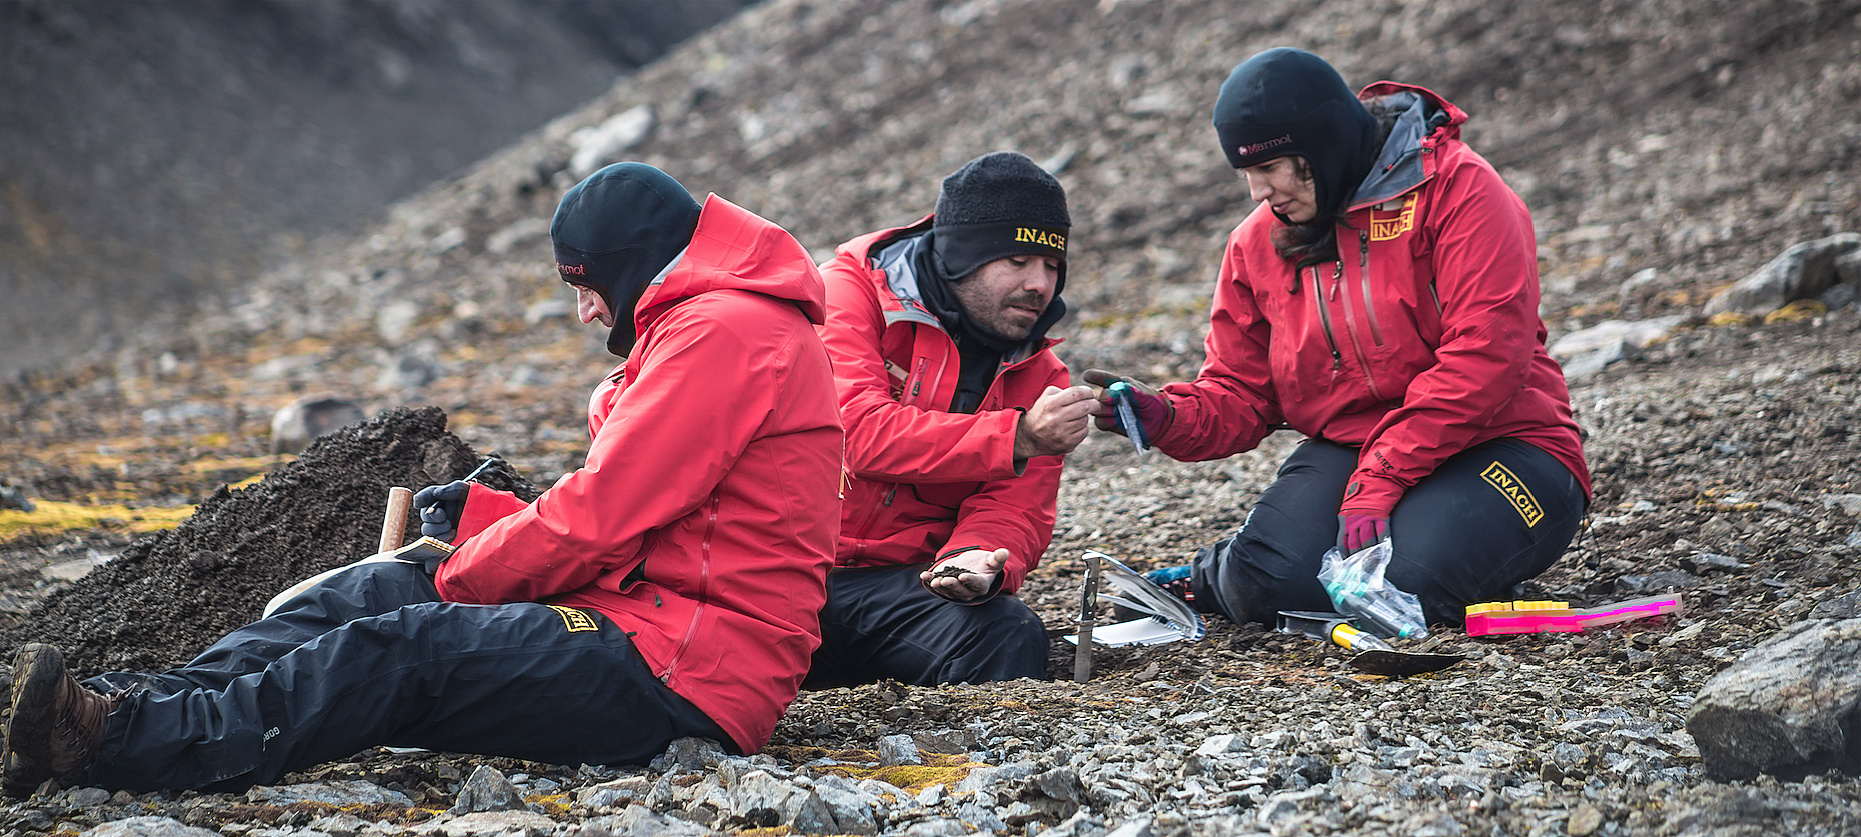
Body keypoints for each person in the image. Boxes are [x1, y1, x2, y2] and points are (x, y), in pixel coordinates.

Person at [2, 162, 843, 794]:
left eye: (586, 286)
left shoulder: (725, 333)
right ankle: (114, 709)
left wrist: (455, 573)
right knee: (365, 592)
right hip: (642, 617)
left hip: (691, 670)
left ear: (631, 266)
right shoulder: (703, 323)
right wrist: (483, 522)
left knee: (407, 648)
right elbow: (655, 515)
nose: (586, 310)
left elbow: (602, 517)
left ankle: (124, 746)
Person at [1087, 48, 1591, 629]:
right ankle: (1211, 580)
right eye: (1246, 173)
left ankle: (1462, 556)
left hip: (1507, 441)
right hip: (1354, 446)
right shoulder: (1256, 245)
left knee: (1402, 588)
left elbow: (1487, 356)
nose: (1257, 191)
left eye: (1270, 167)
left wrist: (1384, 475)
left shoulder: (1459, 191)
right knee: (1266, 581)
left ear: (1322, 146)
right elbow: (1242, 391)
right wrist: (1166, 416)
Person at [806, 151, 1097, 688]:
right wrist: (1018, 436)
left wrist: (974, 558)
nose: (1040, 284)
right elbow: (854, 433)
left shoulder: (1040, 373)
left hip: (896, 586)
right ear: (963, 254)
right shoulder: (848, 295)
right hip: (781, 569)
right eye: (1018, 260)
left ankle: (963, 748)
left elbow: (1014, 505)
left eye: (1053, 265)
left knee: (1007, 632)